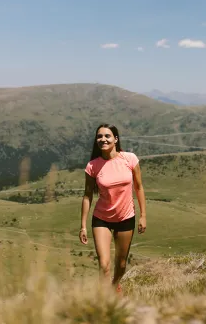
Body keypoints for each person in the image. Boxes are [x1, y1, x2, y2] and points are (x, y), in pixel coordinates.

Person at [79, 124, 147, 294]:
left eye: (107, 136)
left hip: (126, 217)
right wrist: (83, 226)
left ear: (115, 139)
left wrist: (143, 215)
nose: (103, 139)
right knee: (104, 264)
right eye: (99, 136)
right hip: (101, 218)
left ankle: (115, 286)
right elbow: (87, 195)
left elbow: (139, 187)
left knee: (121, 263)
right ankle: (105, 299)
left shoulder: (130, 159)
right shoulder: (92, 166)